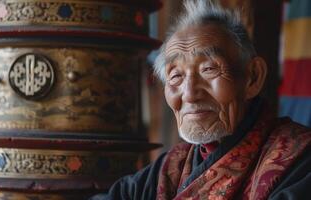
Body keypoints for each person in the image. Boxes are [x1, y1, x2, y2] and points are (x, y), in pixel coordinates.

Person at [90, 0, 311, 199]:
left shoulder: (299, 159)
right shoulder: (171, 167)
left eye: (209, 69)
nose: (189, 93)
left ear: (252, 77)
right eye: (175, 76)